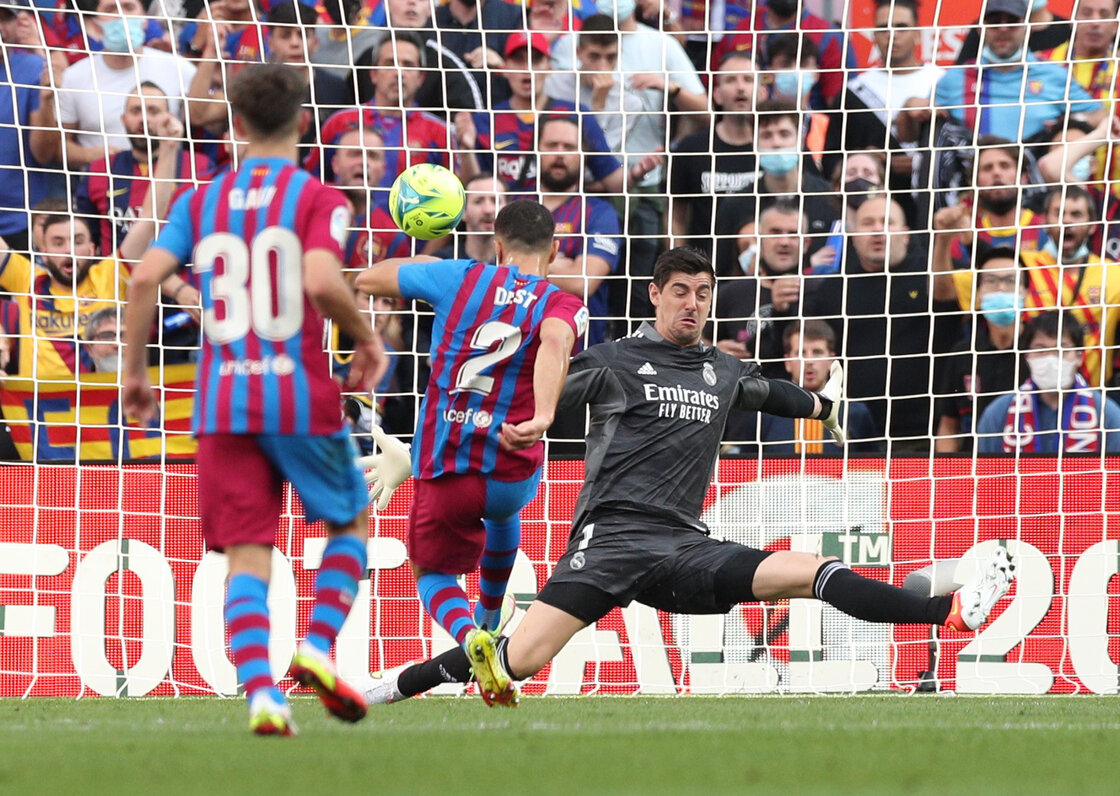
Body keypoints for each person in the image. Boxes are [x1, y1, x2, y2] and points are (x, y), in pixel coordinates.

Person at [358, 246, 1016, 708]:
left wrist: (824, 405)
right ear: (655, 294)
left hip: (683, 546)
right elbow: (523, 402)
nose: (693, 305)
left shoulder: (721, 370)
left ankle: (948, 613)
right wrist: (418, 452)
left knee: (806, 569)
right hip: (608, 543)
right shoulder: (612, 362)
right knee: (512, 663)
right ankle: (384, 690)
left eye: (703, 294)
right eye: (680, 292)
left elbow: (773, 395)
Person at [122, 63, 391, 737]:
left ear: (236, 126)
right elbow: (324, 278)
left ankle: (259, 695)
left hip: (220, 402)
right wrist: (365, 338)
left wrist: (135, 372)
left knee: (247, 552)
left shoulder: (197, 201)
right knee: (349, 523)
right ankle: (318, 647)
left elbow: (144, 277)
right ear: (302, 123)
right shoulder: (321, 198)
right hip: (298, 393)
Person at [351, 199, 589, 699]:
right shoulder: (562, 302)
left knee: (432, 570)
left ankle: (471, 636)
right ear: (557, 249)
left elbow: (370, 279)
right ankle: (491, 615)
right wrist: (543, 416)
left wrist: (427, 263)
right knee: (503, 517)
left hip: (449, 466)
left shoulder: (460, 277)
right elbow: (555, 340)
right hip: (513, 472)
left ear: (497, 245)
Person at [934, 0, 1104, 142]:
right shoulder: (956, 78)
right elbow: (921, 117)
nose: (1003, 28)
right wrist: (912, 105)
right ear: (980, 29)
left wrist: (1072, 123)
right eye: (994, 23)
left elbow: (1101, 115)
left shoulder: (1053, 74)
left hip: (1037, 178)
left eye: (1012, 22)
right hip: (973, 176)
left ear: (1027, 28)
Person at [55, 0, 198, 168]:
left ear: (145, 19)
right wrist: (92, 155)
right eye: (110, 9)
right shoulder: (74, 78)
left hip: (168, 182)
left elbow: (207, 117)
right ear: (96, 24)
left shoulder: (179, 68)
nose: (121, 15)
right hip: (101, 186)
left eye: (128, 7)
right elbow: (58, 147)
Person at [725, 320, 881, 455]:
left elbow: (873, 470)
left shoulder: (856, 413)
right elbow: (745, 469)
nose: (809, 361)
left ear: (831, 361)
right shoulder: (763, 415)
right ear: (787, 362)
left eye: (817, 352)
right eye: (801, 353)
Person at [976, 311, 1120, 452]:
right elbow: (985, 471)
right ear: (1027, 356)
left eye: (1062, 349)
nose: (1051, 358)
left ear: (1079, 357)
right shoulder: (998, 413)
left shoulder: (1107, 414)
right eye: (1041, 349)